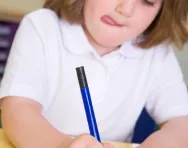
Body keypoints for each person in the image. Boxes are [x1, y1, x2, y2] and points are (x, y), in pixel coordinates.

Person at [1, 0, 188, 148]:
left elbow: (182, 122)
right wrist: (63, 145)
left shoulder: (157, 52)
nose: (125, 9)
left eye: (147, 0)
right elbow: (17, 109)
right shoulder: (42, 27)